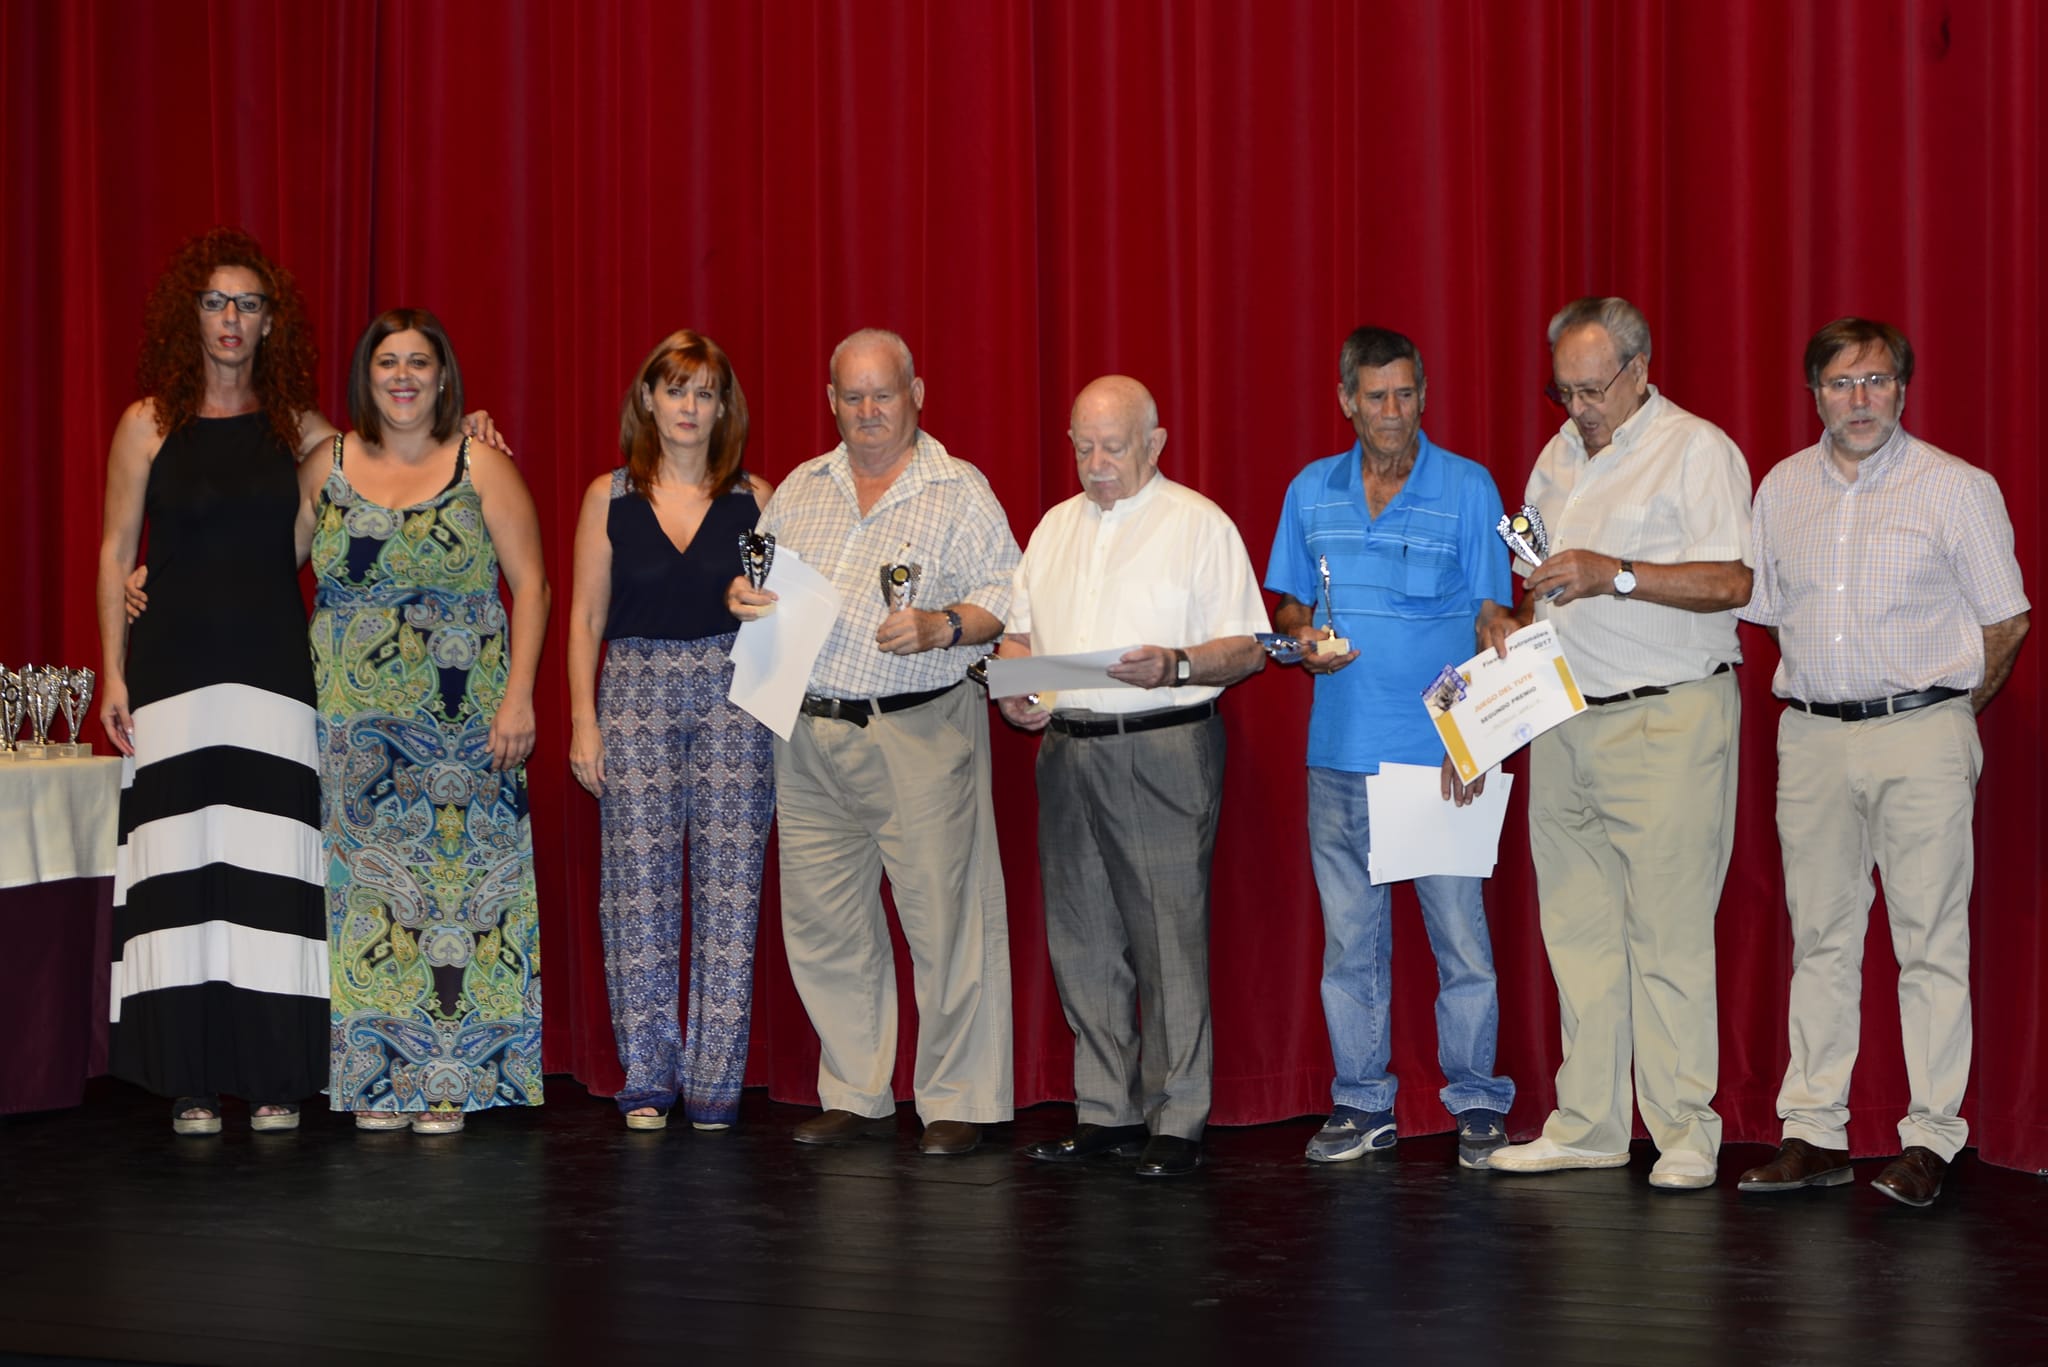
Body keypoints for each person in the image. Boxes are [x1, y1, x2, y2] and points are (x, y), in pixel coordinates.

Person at [1734, 319, 2028, 1207]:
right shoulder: (1782, 487)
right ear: (1814, 394)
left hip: (1920, 730)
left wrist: (1949, 714)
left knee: (1929, 940)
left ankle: (1932, 1136)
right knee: (1819, 938)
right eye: (1840, 382)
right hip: (1812, 736)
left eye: (1875, 380)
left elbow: (2007, 619)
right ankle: (1815, 1131)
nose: (1858, 400)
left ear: (1902, 388)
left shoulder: (1956, 487)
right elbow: (1765, 608)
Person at [725, 328, 1019, 1156]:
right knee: (825, 923)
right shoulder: (801, 488)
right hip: (808, 730)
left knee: (948, 921)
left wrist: (943, 624)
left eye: (882, 394)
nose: (867, 411)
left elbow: (1009, 594)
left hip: (917, 728)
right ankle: (856, 1090)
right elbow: (764, 582)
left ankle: (959, 1097)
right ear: (831, 402)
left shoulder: (958, 489)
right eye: (851, 396)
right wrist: (743, 597)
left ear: (916, 393)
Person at [1481, 297, 1753, 1191]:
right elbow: (1539, 584)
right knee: (1578, 933)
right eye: (1564, 391)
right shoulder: (1555, 458)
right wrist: (1505, 620)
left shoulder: (1697, 449)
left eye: (1593, 389)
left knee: (1668, 933)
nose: (1579, 409)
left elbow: (1734, 581)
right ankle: (1590, 1123)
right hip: (1563, 716)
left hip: (1665, 714)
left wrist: (1619, 574)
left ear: (1640, 369)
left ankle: (1685, 1130)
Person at [997, 376, 1266, 1179]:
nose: (1096, 462)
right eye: (1082, 446)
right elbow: (1019, 635)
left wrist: (1176, 663)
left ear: (1155, 443)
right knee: (1081, 938)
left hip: (1161, 745)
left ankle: (1177, 1117)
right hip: (1068, 748)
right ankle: (1106, 1110)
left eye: (1113, 446)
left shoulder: (1198, 524)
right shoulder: (1053, 527)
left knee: (1165, 938)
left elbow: (1247, 647)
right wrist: (1015, 685)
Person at [95, 227, 330, 1135]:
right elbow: (115, 549)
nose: (231, 318)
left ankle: (275, 1076)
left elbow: (401, 457)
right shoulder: (146, 424)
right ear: (190, 315)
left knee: (269, 876)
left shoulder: (303, 431)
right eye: (215, 301)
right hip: (172, 678)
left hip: (272, 677)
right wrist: (112, 670)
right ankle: (188, 1080)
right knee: (181, 875)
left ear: (271, 322)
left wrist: (470, 427)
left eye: (248, 304)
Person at [1265, 328, 1516, 1169]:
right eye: (1376, 396)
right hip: (1338, 756)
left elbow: (1493, 626)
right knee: (1350, 948)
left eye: (1406, 394)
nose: (1393, 411)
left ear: (1423, 396)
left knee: (1463, 947)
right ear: (1347, 400)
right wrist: (1304, 637)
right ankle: (1362, 1101)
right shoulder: (1310, 491)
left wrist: (1472, 743)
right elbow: (1289, 609)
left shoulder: (1470, 488)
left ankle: (1477, 1101)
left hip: (1436, 763)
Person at [301, 307, 549, 1135]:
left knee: (461, 898)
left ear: (443, 376)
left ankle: (452, 1081)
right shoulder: (326, 465)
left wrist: (519, 696)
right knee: (368, 904)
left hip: (467, 727)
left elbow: (534, 586)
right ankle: (379, 1079)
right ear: (365, 377)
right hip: (351, 730)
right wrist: (157, 573)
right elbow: (261, 560)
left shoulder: (484, 465)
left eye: (418, 361)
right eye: (387, 362)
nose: (402, 376)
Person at [566, 331, 775, 1132]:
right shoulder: (608, 496)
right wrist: (583, 721)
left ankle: (716, 1078)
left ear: (723, 408)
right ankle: (648, 1073)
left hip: (734, 691)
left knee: (731, 885)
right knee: (637, 887)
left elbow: (787, 609)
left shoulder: (758, 497)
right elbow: (585, 616)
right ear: (647, 400)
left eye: (705, 392)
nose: (689, 406)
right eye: (675, 388)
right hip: (635, 689)